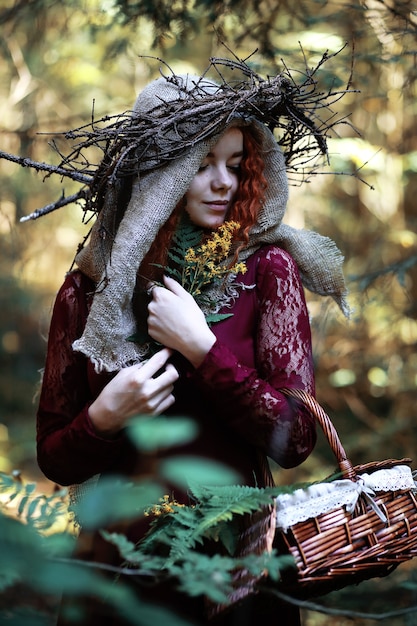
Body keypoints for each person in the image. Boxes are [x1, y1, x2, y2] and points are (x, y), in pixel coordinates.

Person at [35, 68, 348, 625]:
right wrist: (105, 417)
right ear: (159, 173)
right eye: (202, 165)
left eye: (234, 164)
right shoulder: (93, 286)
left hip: (237, 564)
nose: (224, 182)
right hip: (120, 575)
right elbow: (54, 456)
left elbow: (296, 437)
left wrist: (205, 351)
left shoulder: (267, 269)